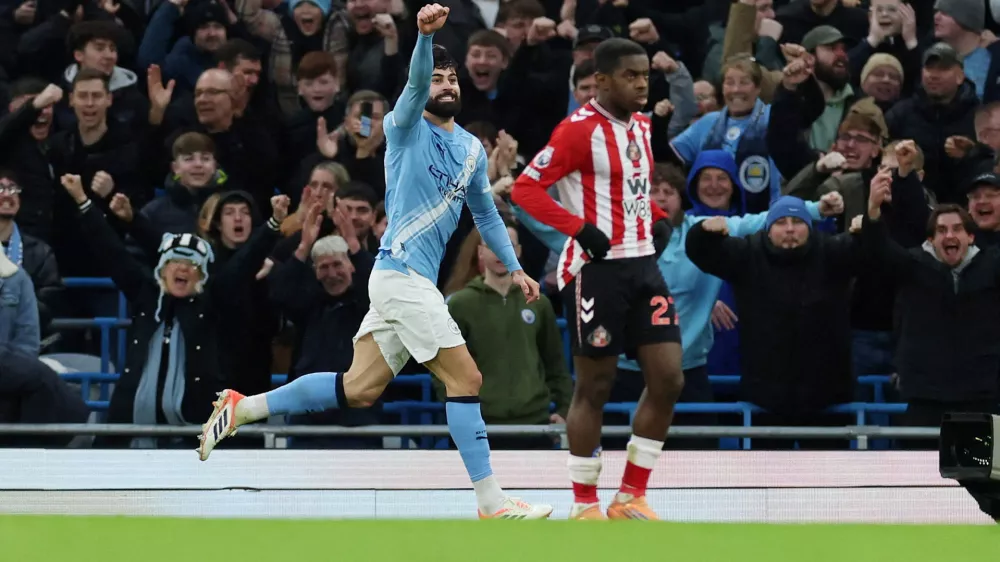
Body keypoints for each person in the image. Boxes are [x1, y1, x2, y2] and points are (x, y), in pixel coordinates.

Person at [196, 3, 552, 520]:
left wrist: (514, 265)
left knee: (358, 388)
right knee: (467, 380)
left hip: (402, 282)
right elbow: (412, 86)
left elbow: (485, 213)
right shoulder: (404, 126)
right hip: (403, 278)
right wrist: (425, 41)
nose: (446, 84)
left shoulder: (473, 149)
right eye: (438, 78)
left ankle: (243, 406)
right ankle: (490, 501)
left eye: (452, 79)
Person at [511, 38, 681, 520]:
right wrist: (578, 228)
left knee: (669, 379)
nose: (642, 83)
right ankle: (584, 502)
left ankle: (630, 496)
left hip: (644, 265)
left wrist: (655, 213)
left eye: (645, 74)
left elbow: (628, 190)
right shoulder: (576, 131)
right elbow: (526, 188)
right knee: (596, 385)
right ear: (601, 81)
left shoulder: (643, 127)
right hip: (595, 271)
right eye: (630, 75)